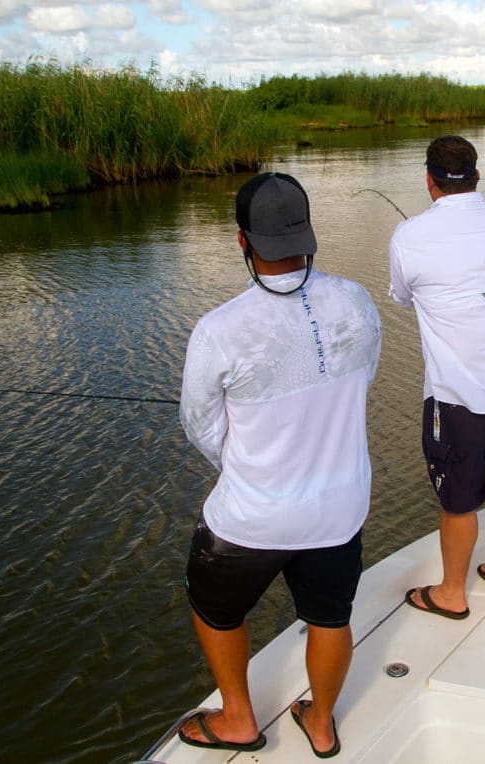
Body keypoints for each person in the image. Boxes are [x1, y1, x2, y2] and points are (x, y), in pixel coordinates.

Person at [178, 172, 381, 757]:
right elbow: (362, 378)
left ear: (244, 241)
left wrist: (243, 460)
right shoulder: (357, 301)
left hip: (252, 518)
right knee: (329, 617)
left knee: (213, 608)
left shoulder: (218, 330)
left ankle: (239, 719)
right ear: (308, 234)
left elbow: (199, 424)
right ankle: (321, 724)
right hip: (339, 511)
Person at [389, 135, 485, 619]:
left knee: (458, 502)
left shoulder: (409, 236)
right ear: (478, 177)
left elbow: (401, 295)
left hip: (457, 398)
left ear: (429, 181)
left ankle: (452, 594)